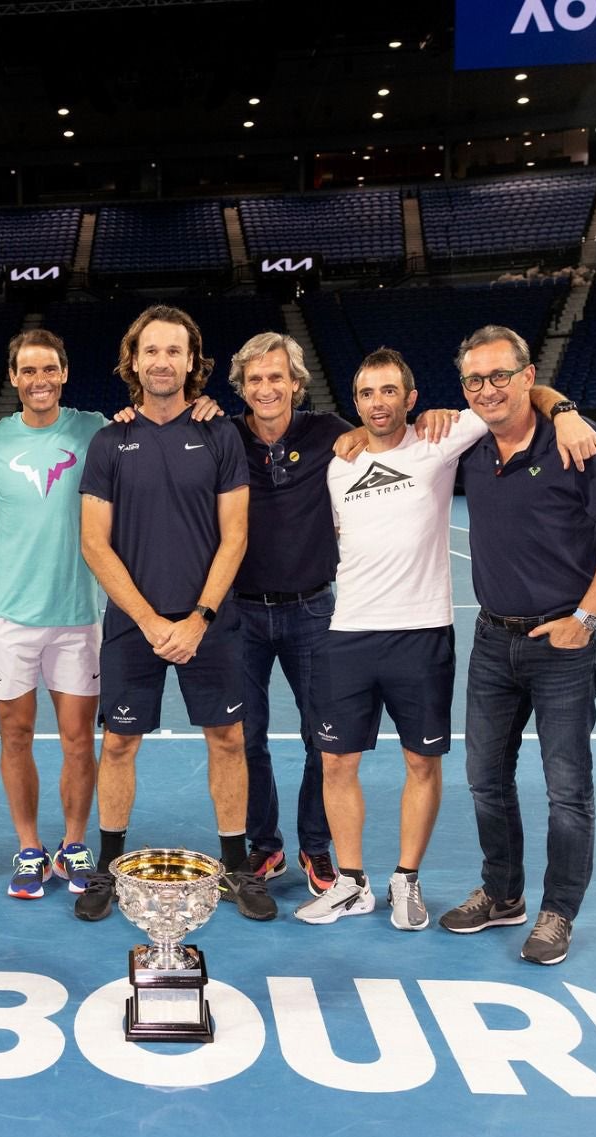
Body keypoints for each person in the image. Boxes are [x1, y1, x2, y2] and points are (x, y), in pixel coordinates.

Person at [295, 348, 596, 932]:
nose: (377, 402)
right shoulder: (341, 463)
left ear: (411, 399)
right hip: (348, 633)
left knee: (421, 762)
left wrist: (564, 411)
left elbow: (510, 395)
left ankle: (406, 880)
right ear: (355, 404)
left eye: (390, 391)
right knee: (335, 762)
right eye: (366, 393)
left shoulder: (440, 437)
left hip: (421, 634)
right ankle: (352, 884)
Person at [439, 325, 596, 965]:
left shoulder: (577, 443)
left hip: (563, 642)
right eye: (474, 380)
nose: (488, 389)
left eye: (501, 375)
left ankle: (558, 911)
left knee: (566, 789)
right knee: (483, 781)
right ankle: (503, 896)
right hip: (492, 639)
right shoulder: (470, 441)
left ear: (529, 376)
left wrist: (584, 618)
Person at [76, 304, 273, 922]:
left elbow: (234, 535)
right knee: (119, 746)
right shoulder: (110, 440)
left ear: (193, 362)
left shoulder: (221, 435)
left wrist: (199, 618)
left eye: (175, 352)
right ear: (133, 361)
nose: (162, 362)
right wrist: (151, 621)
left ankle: (236, 866)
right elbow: (93, 542)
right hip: (134, 626)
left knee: (228, 740)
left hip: (211, 624)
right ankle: (109, 868)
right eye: (151, 351)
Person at [0, 330, 105, 900]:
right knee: (15, 735)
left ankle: (74, 843)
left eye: (48, 369)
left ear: (65, 372)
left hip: (77, 614)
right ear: (13, 378)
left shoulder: (94, 428)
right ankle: (29, 847)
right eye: (28, 371)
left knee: (79, 740)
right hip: (7, 616)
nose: (39, 380)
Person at [226, 332, 351, 897]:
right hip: (239, 614)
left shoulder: (330, 433)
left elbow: (396, 434)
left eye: (277, 377)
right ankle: (264, 845)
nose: (266, 388)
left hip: (313, 610)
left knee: (322, 738)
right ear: (242, 387)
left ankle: (316, 846)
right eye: (255, 379)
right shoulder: (221, 436)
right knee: (245, 737)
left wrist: (558, 406)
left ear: (296, 383)